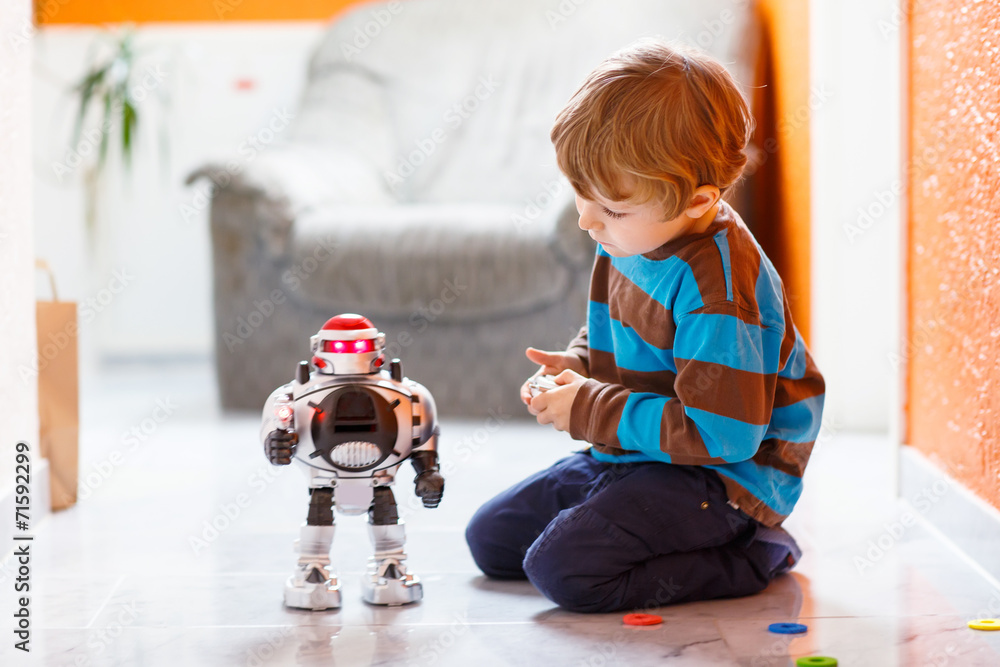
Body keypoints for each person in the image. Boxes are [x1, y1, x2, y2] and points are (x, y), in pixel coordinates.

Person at [465, 39, 826, 613]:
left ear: (697, 200)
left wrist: (589, 408)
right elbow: (617, 329)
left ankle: (756, 550)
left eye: (608, 208)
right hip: (641, 451)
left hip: (721, 482)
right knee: (492, 540)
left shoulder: (722, 293)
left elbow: (723, 436)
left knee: (563, 571)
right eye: (580, 196)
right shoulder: (636, 231)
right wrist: (580, 365)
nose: (586, 220)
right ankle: (626, 504)